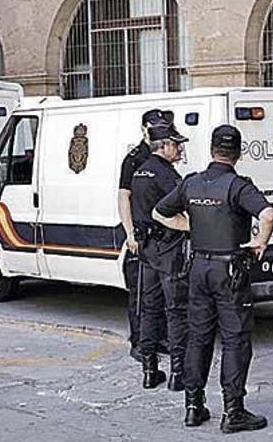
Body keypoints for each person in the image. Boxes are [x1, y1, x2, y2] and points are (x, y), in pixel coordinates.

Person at [154, 125, 273, 433]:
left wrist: (192, 227)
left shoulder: (192, 183)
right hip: (229, 270)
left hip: (198, 269)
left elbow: (159, 213)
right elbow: (268, 215)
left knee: (199, 337)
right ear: (238, 152)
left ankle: (193, 406)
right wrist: (260, 242)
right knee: (235, 340)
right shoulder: (238, 186)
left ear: (211, 149)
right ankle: (233, 411)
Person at [130, 123, 190, 391]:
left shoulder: (139, 171)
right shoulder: (166, 175)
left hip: (146, 248)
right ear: (163, 146)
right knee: (176, 309)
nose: (180, 149)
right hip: (167, 248)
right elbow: (178, 208)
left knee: (149, 309)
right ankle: (178, 373)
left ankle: (149, 370)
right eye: (176, 144)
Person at [118, 109, 174, 361]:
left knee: (158, 293)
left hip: (163, 236)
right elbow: (123, 197)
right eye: (154, 125)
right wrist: (130, 233)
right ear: (143, 129)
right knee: (140, 292)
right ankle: (139, 342)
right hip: (142, 234)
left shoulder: (163, 152)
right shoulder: (134, 158)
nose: (158, 128)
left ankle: (158, 339)